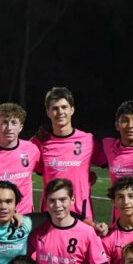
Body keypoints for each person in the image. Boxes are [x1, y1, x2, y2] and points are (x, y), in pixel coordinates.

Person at [33, 87, 103, 220]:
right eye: (55, 108)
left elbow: (114, 159)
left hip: (82, 215)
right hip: (50, 214)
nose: (60, 112)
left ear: (72, 110)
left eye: (64, 107)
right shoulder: (39, 142)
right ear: (48, 112)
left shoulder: (88, 140)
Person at [0, 103, 41, 214]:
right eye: (4, 122)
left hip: (25, 221)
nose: (9, 128)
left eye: (14, 123)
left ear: (20, 127)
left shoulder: (32, 150)